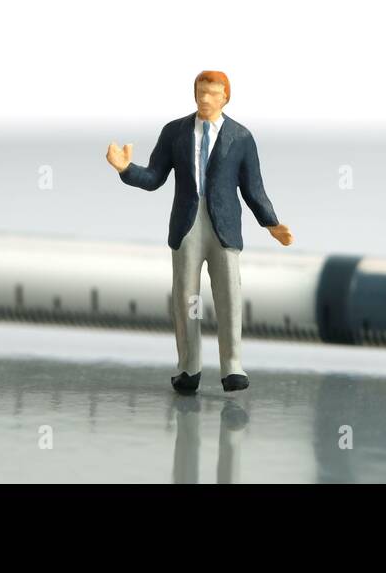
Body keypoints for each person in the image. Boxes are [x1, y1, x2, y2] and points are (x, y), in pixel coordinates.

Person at [106, 71, 293, 393]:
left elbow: (253, 187)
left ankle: (232, 366)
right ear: (194, 93)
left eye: (213, 93)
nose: (205, 99)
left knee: (229, 296)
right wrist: (126, 169)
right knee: (186, 298)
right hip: (187, 225)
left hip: (224, 227)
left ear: (225, 97)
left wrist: (271, 223)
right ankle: (188, 368)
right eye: (201, 92)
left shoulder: (241, 137)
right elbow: (154, 178)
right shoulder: (175, 132)